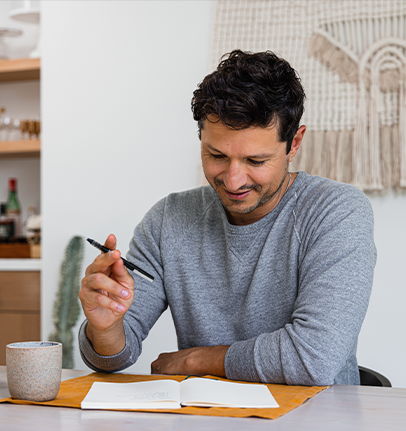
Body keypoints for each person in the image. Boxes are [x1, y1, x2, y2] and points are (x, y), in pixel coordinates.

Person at [79, 50, 376, 386]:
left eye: (256, 161)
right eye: (216, 155)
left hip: (314, 427)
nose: (234, 180)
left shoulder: (336, 212)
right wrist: (106, 326)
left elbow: (313, 359)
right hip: (205, 428)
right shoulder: (168, 221)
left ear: (294, 144)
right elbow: (113, 356)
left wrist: (196, 359)